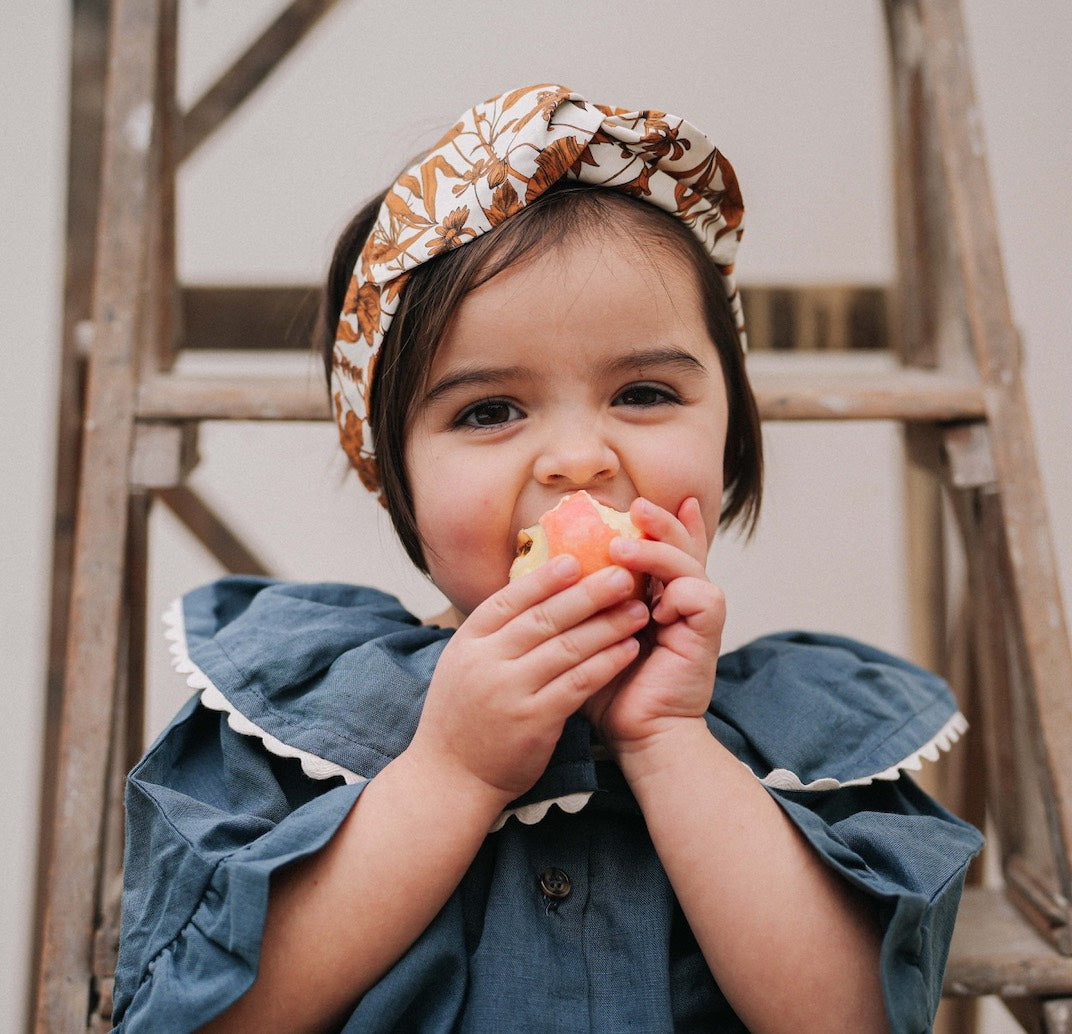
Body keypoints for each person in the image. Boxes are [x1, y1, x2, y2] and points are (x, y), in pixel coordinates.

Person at [111, 84, 982, 1033]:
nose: (579, 459)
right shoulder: (298, 711)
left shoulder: (809, 739)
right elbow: (190, 1016)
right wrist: (451, 774)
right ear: (394, 477)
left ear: (731, 436)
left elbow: (857, 1019)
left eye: (644, 393)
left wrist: (667, 744)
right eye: (489, 411)